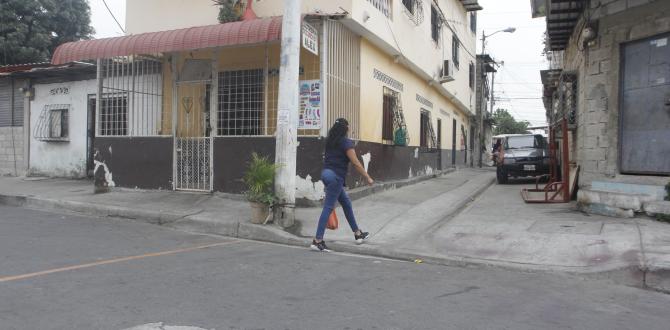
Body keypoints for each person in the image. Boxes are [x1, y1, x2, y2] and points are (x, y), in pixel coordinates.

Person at [311, 118, 374, 252]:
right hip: (335, 177)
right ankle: (317, 240)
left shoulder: (330, 141)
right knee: (328, 207)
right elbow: (356, 162)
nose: (349, 129)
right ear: (345, 129)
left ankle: (357, 233)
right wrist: (367, 177)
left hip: (326, 174)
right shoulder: (346, 143)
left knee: (346, 203)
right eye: (348, 127)